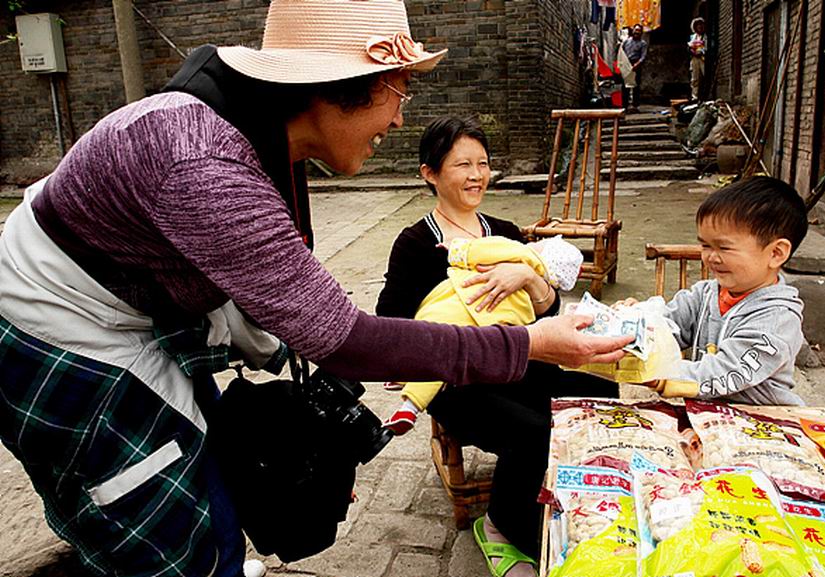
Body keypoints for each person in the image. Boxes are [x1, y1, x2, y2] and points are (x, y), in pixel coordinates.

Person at [0, 2, 633, 577]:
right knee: (154, 513)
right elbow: (346, 339)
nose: (402, 114)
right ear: (335, 88)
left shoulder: (258, 135)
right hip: (58, 335)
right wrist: (526, 344)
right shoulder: (203, 163)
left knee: (212, 471)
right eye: (399, 89)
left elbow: (292, 298)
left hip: (132, 311)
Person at [376, 116, 619, 577]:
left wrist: (528, 278)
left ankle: (584, 487)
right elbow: (393, 324)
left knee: (598, 395)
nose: (476, 175)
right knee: (531, 432)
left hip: (520, 358)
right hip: (457, 381)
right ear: (430, 173)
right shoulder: (415, 244)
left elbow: (545, 315)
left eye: (483, 164)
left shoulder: (504, 230)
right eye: (462, 164)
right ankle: (503, 526)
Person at [622, 176, 809, 405]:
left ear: (776, 253)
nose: (711, 257)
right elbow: (669, 324)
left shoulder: (778, 319)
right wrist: (636, 323)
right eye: (705, 245)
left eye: (724, 247)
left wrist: (659, 374)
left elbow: (724, 372)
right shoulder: (706, 294)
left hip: (761, 423)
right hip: (709, 414)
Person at [384, 234, 584, 434]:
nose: (534, 243)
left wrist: (457, 249)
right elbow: (391, 315)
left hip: (501, 354)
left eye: (541, 243)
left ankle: (408, 399)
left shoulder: (517, 249)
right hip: (476, 371)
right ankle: (408, 391)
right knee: (444, 353)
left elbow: (482, 250)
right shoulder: (413, 240)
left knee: (440, 348)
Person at [619, 24, 648, 112]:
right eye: (636, 30)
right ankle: (624, 106)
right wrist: (621, 64)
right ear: (633, 31)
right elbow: (621, 52)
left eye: (639, 30)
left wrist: (636, 64)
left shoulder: (643, 44)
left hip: (636, 65)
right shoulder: (626, 42)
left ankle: (635, 106)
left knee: (636, 86)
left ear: (641, 33)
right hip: (626, 64)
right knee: (625, 86)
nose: (637, 32)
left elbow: (643, 56)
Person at [688, 17, 707, 101]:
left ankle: (705, 96)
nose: (699, 27)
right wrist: (692, 51)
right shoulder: (693, 37)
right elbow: (689, 47)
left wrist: (702, 52)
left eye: (701, 25)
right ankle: (694, 97)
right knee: (695, 79)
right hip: (694, 58)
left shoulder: (706, 36)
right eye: (697, 25)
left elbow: (707, 47)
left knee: (705, 76)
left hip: (703, 58)